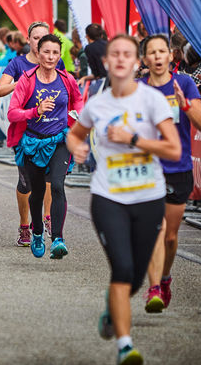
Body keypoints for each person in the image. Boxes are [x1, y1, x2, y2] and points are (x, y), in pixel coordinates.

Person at [67, 34, 181, 365]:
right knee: (123, 267)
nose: (119, 59)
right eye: (114, 54)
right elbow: (74, 135)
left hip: (148, 196)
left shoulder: (152, 101)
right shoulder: (97, 103)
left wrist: (133, 138)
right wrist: (77, 148)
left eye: (127, 54)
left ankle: (111, 308)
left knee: (133, 278)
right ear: (105, 63)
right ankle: (125, 345)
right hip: (108, 196)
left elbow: (173, 149)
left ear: (137, 62)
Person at [138, 34, 201, 314]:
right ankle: (153, 288)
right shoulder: (137, 89)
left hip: (178, 168)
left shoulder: (186, 83)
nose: (156, 57)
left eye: (161, 52)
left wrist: (185, 104)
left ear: (171, 56)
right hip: (147, 168)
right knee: (158, 228)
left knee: (170, 237)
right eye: (151, 52)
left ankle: (165, 278)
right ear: (144, 59)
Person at [7, 34, 82, 259]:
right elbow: (12, 112)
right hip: (33, 143)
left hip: (60, 140)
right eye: (46, 52)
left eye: (55, 53)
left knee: (57, 185)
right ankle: (37, 232)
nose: (50, 57)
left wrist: (77, 115)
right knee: (37, 191)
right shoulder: (27, 80)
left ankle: (58, 238)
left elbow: (77, 99)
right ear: (38, 53)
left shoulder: (66, 78)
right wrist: (35, 111)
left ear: (60, 56)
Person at [0, 21, 52, 247]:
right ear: (29, 40)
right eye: (36, 38)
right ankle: (25, 225)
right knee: (26, 182)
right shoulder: (18, 64)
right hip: (24, 130)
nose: (40, 42)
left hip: (50, 128)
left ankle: (47, 220)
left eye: (44, 37)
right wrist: (21, 83)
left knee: (49, 179)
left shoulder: (57, 63)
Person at [78, 23, 108, 88]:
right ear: (101, 35)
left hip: (103, 84)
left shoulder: (89, 48)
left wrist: (84, 78)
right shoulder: (108, 44)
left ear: (87, 36)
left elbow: (96, 74)